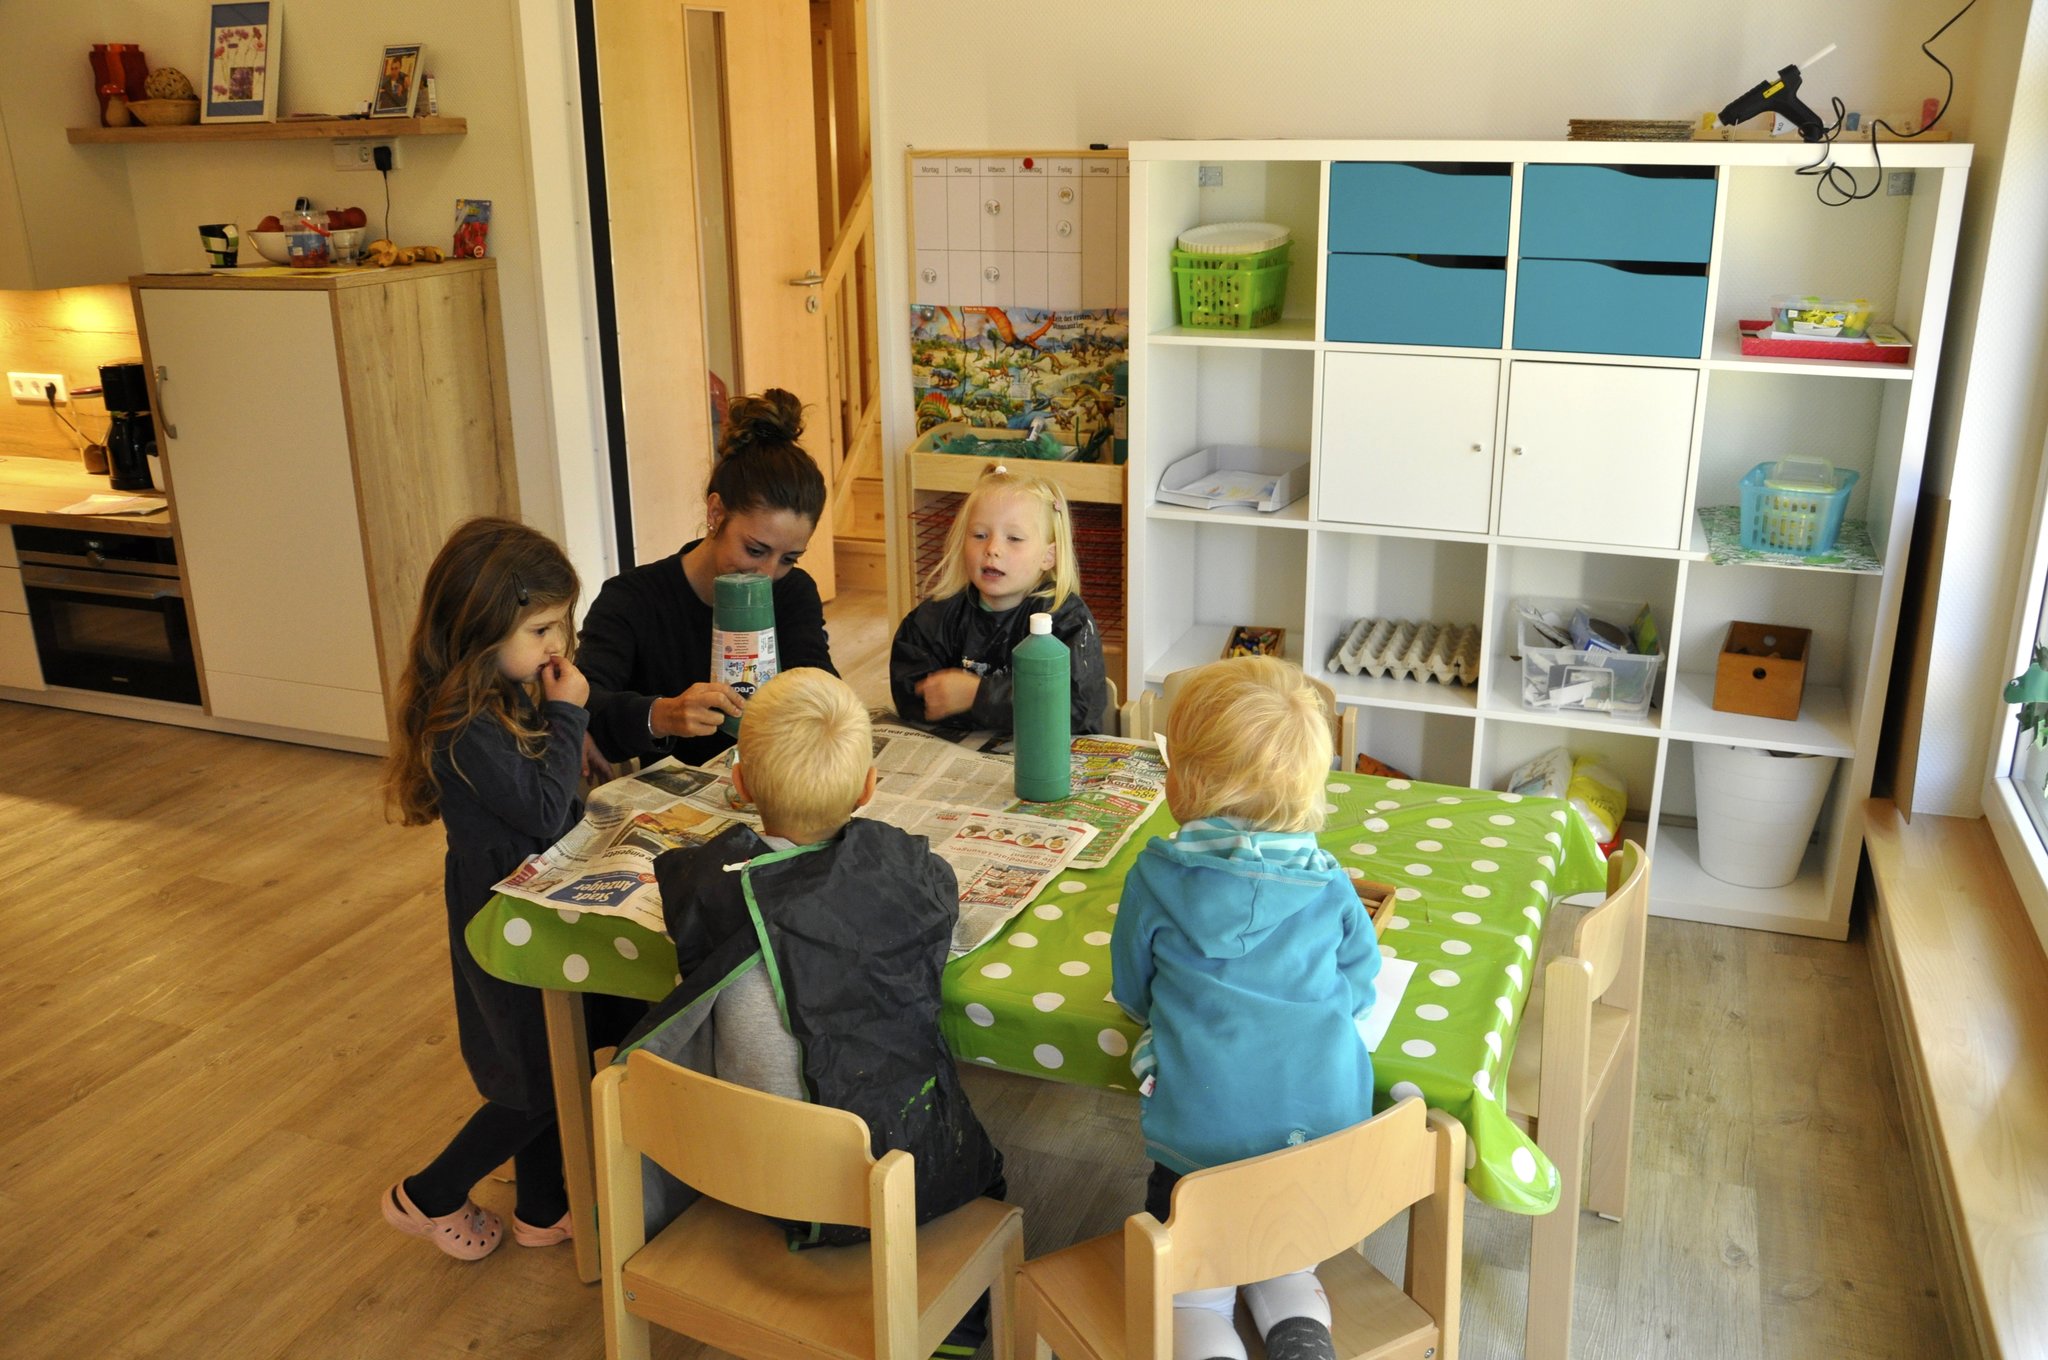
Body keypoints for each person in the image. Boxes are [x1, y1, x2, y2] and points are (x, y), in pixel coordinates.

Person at [623, 668, 1005, 1350]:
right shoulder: (906, 873)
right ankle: (958, 1322)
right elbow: (946, 912)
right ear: (868, 789)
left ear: (738, 788)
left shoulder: (709, 887)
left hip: (741, 1173)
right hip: (873, 1187)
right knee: (989, 1169)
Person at [379, 516, 641, 1260]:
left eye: (562, 625)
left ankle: (541, 1205)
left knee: (558, 1045)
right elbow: (538, 806)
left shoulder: (508, 685)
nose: (558, 645)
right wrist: (569, 714)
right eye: (542, 628)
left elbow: (551, 803)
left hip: (536, 896)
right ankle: (426, 1195)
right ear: (479, 628)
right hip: (503, 911)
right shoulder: (460, 725)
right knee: (531, 1078)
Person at [1109, 656, 1382, 1360]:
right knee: (1287, 1251)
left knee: (1193, 1286)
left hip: (1198, 1138)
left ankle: (1207, 1326)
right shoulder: (1329, 885)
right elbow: (1361, 977)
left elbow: (1133, 989)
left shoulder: (1156, 875)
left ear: (1184, 785)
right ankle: (1296, 1318)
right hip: (1317, 1136)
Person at [579, 388, 835, 772]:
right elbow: (584, 704)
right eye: (754, 549)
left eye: (789, 558)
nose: (767, 574)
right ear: (716, 513)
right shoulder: (633, 599)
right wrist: (663, 714)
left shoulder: (793, 592)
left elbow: (820, 681)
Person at [889, 465, 1107, 736]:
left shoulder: (1067, 620)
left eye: (1014, 538)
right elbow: (910, 695)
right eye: (979, 535)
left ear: (1048, 556)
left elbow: (1076, 707)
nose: (992, 549)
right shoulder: (936, 617)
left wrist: (977, 695)